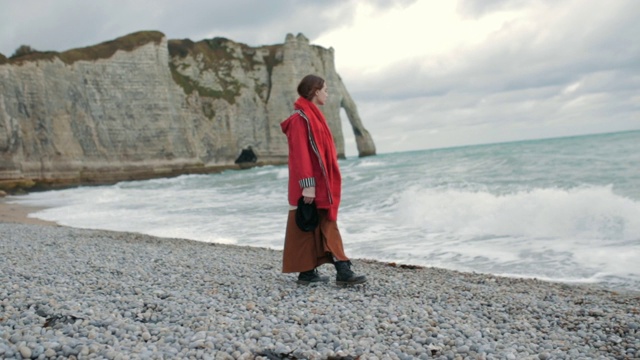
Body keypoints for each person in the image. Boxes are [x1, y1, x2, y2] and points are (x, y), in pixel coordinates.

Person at [280, 74, 367, 286]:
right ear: (315, 91)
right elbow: (301, 155)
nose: (327, 94)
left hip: (319, 182)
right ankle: (343, 270)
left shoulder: (312, 116)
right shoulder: (301, 119)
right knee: (323, 223)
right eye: (325, 90)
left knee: (307, 226)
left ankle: (307, 273)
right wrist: (307, 186)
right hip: (312, 184)